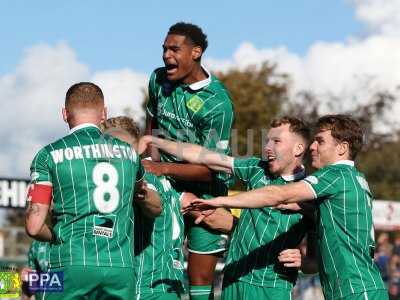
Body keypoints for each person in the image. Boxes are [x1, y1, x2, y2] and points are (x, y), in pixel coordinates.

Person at [190, 114, 388, 300]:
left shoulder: (337, 175)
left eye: (320, 141)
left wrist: (220, 201)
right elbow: (319, 254)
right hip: (353, 288)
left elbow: (278, 194)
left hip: (355, 289)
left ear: (342, 148)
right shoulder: (353, 181)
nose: (313, 147)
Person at [140, 116, 317, 300]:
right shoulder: (257, 169)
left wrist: (303, 262)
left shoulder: (311, 193)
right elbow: (206, 156)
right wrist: (156, 141)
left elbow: (315, 263)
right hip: (234, 279)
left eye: (276, 141)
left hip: (271, 288)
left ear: (298, 148)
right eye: (268, 141)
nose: (268, 148)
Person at [25, 82, 161, 300]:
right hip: (122, 269)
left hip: (72, 262)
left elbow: (33, 227)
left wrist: (20, 282)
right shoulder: (135, 164)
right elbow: (156, 207)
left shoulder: (50, 154)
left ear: (64, 114)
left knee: (13, 282)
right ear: (104, 113)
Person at [144, 22, 235, 299]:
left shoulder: (217, 103)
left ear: (196, 52)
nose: (166, 55)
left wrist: (160, 168)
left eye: (174, 49)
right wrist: (154, 171)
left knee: (199, 280)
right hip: (166, 189)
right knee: (155, 266)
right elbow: (152, 127)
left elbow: (212, 170)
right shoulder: (158, 80)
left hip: (206, 195)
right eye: (164, 49)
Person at [100, 116, 186, 299]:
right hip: (166, 284)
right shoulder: (165, 181)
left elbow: (154, 204)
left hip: (145, 287)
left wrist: (142, 194)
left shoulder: (144, 178)